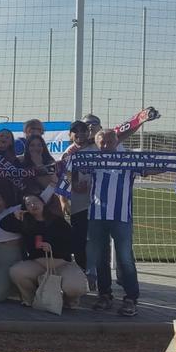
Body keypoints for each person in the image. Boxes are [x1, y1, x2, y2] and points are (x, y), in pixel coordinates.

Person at [87, 128, 144, 317]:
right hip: (97, 215)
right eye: (101, 142)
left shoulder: (128, 159)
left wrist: (173, 164)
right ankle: (104, 295)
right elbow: (73, 171)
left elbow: (149, 168)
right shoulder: (93, 160)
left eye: (108, 142)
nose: (105, 146)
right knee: (100, 258)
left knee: (125, 258)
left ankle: (130, 298)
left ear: (116, 142)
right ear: (96, 144)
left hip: (121, 217)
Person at [4, 193, 88, 309]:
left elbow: (73, 244)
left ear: (43, 203)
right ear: (25, 208)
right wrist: (13, 215)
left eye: (35, 201)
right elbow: (3, 225)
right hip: (37, 263)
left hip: (61, 263)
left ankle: (69, 302)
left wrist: (53, 248)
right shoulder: (26, 223)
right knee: (16, 271)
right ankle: (32, 299)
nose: (33, 205)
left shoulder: (58, 221)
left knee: (75, 286)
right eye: (28, 204)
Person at [61, 120, 96, 282]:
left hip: (97, 203)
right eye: (76, 131)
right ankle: (83, 275)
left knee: (97, 241)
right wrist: (64, 201)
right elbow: (65, 178)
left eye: (83, 131)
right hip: (78, 204)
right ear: (70, 134)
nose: (80, 134)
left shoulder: (96, 147)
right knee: (79, 241)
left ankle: (96, 274)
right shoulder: (69, 152)